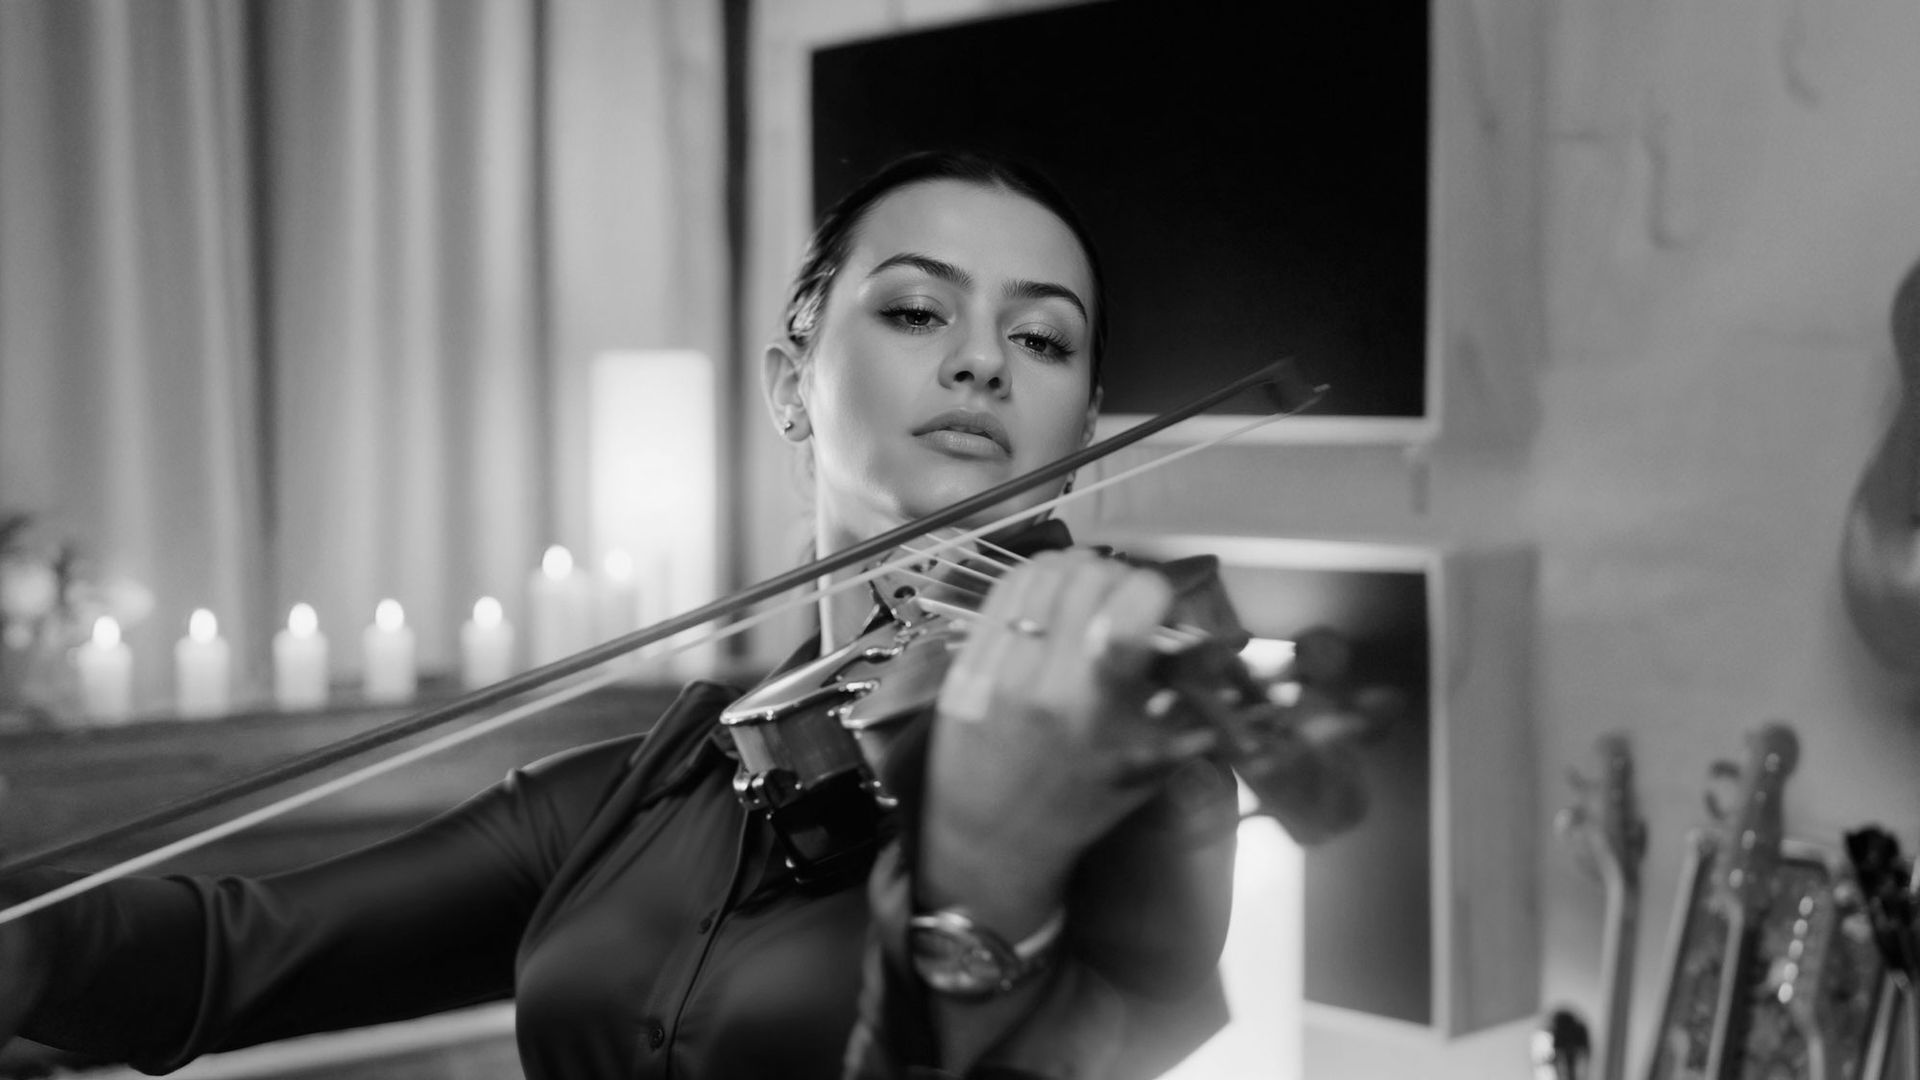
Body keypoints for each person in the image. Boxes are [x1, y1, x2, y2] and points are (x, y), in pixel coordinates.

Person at [0, 151, 1240, 1079]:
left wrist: (996, 867)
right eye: (918, 311)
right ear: (789, 390)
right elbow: (230, 956)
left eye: (1041, 336)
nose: (984, 361)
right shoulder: (651, 793)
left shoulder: (1119, 749)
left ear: (1079, 445)